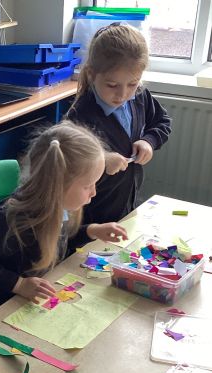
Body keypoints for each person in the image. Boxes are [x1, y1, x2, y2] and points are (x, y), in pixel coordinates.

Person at [0, 121, 128, 323]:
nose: (94, 192)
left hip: (26, 303)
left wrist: (92, 231)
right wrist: (19, 284)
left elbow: (58, 239)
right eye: (87, 186)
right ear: (58, 185)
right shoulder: (11, 218)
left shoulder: (58, 207)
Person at [67, 23, 171, 233]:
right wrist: (102, 159)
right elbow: (67, 160)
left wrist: (149, 141)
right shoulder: (82, 113)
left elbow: (163, 122)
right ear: (91, 75)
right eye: (112, 85)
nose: (123, 94)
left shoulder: (139, 97)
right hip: (93, 215)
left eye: (132, 84)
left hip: (127, 204)